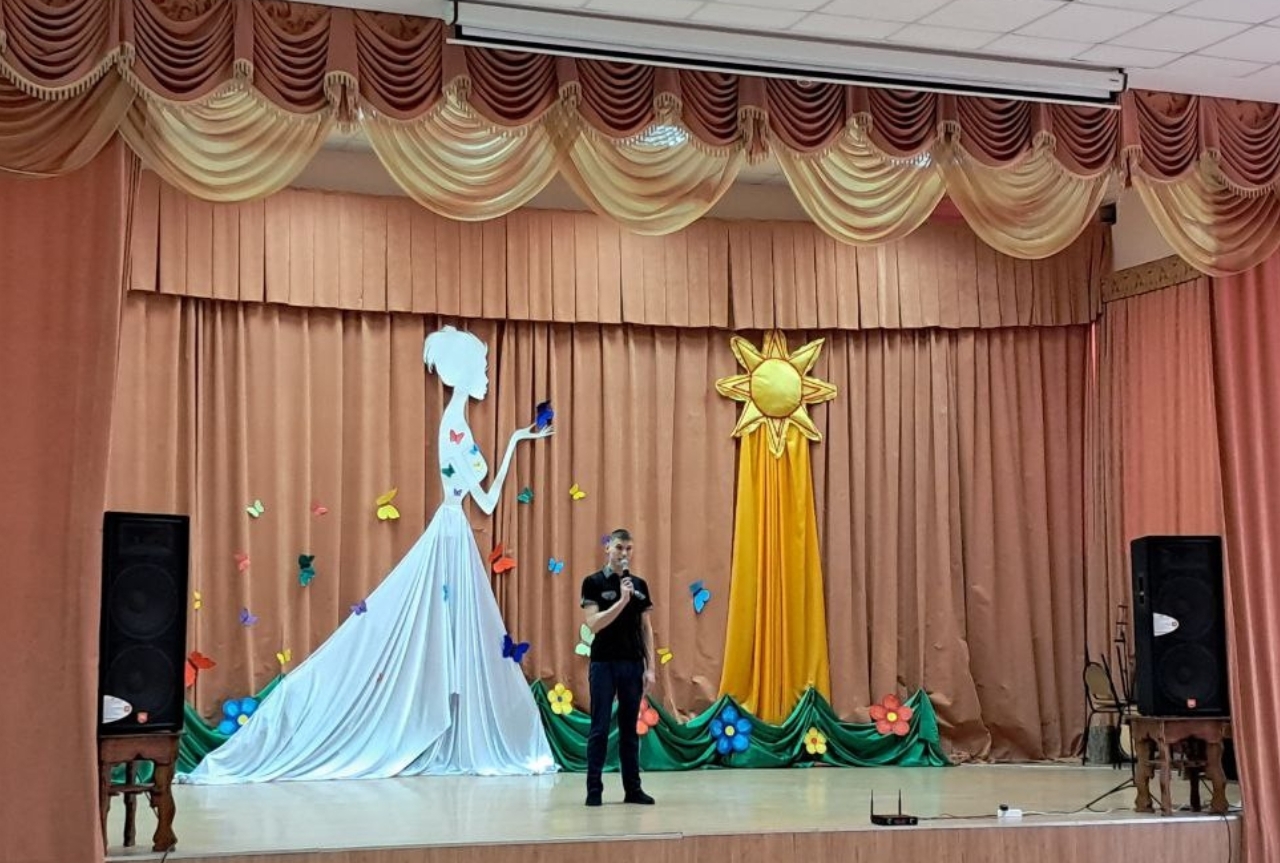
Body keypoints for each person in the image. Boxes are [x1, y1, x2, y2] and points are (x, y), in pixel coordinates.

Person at [184, 326, 556, 783]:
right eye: (480, 368)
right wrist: (514, 444)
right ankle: (432, 729)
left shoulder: (455, 423)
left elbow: (485, 500)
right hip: (451, 534)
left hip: (454, 533)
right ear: (460, 372)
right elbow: (485, 500)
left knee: (453, 633)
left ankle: (446, 731)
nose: (485, 377)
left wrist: (516, 439)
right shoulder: (454, 427)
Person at [579, 528, 656, 806]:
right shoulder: (593, 582)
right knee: (599, 728)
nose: (624, 553)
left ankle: (633, 789)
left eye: (628, 548)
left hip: (632, 664)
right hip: (603, 664)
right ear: (608, 549)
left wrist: (651, 667)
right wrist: (622, 601)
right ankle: (594, 790)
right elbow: (593, 623)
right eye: (619, 547)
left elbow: (646, 628)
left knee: (629, 730)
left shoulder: (639, 585)